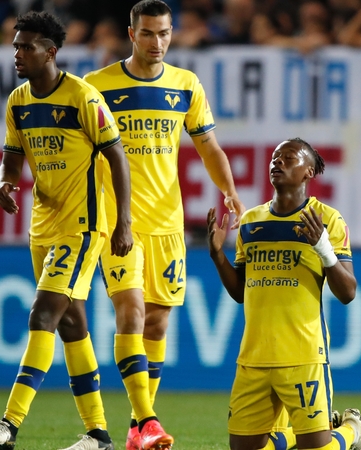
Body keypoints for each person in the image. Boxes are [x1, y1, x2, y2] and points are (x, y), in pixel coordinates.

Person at [83, 1, 248, 449]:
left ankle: (138, 432)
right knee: (131, 313)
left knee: (156, 324)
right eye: (149, 34)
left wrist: (230, 190)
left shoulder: (185, 85)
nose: (158, 43)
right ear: (131, 34)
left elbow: (209, 147)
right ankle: (148, 420)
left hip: (169, 225)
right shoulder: (97, 88)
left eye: (165, 34)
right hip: (120, 224)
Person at [0, 10, 133, 450]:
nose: (17, 54)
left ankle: (9, 423)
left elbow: (118, 157)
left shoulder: (83, 97)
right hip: (41, 227)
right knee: (72, 327)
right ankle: (99, 434)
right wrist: (3, 181)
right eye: (15, 46)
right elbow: (12, 156)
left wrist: (123, 222)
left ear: (51, 52)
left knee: (42, 314)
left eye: (26, 47)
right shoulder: (19, 101)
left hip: (83, 226)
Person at [207, 138, 361, 450]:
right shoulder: (250, 223)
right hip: (254, 358)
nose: (278, 162)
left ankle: (353, 429)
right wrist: (218, 256)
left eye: (289, 158)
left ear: (309, 172)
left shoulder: (326, 220)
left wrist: (323, 249)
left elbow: (348, 293)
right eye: (275, 157)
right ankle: (324, 432)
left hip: (303, 356)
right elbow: (239, 293)